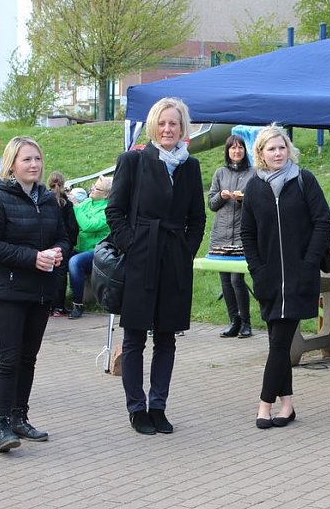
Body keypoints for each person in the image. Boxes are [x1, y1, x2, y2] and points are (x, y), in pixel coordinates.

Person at [106, 97, 205, 436]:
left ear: (182, 128)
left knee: (167, 338)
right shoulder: (133, 161)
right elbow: (114, 211)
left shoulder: (190, 166)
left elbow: (197, 217)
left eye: (173, 124)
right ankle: (136, 408)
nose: (167, 129)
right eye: (162, 123)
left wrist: (185, 251)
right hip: (141, 259)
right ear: (153, 126)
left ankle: (159, 405)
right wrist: (133, 246)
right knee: (134, 338)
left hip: (174, 260)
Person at [0, 137, 69, 452]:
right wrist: (32, 257)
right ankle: (1, 424)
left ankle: (19, 417)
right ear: (12, 163)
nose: (34, 165)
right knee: (9, 359)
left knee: (28, 358)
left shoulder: (48, 199)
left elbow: (64, 237)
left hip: (40, 291)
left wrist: (58, 252)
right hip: (7, 291)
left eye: (37, 159)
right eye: (27, 159)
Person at [241, 125, 330, 429]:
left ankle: (263, 405)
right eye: (271, 149)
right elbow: (247, 233)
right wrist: (257, 268)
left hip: (298, 278)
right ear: (261, 153)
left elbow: (323, 222)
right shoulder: (254, 187)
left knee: (279, 344)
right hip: (268, 279)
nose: (277, 153)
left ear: (288, 149)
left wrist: (308, 262)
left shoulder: (304, 180)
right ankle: (288, 406)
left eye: (281, 147)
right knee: (276, 341)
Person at [207, 135, 254, 338]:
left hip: (243, 236)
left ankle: (246, 322)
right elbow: (211, 203)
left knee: (237, 279)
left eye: (240, 148)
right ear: (227, 151)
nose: (236, 151)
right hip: (221, 236)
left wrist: (244, 199)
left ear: (245, 151)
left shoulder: (253, 173)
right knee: (225, 280)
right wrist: (221, 196)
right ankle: (233, 320)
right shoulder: (220, 173)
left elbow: (258, 203)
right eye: (233, 148)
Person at [68, 175, 111, 320]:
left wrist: (75, 206)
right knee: (57, 255)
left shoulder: (108, 209)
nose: (91, 189)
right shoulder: (88, 202)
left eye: (97, 188)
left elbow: (88, 225)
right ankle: (53, 303)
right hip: (79, 247)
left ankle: (77, 304)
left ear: (106, 194)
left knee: (75, 262)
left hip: (97, 252)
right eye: (93, 186)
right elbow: (78, 219)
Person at [48, 171, 79, 317]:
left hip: (47, 241)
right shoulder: (67, 203)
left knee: (47, 271)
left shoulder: (44, 200)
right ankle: (58, 306)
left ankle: (47, 304)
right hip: (63, 242)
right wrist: (71, 242)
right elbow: (72, 225)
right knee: (60, 273)